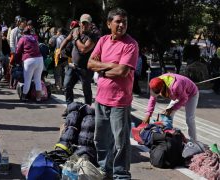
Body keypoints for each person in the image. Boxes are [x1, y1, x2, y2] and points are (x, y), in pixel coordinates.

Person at [87, 8, 139, 179]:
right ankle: (105, 169)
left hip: (120, 101)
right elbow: (90, 63)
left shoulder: (131, 44)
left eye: (124, 21)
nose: (122, 25)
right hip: (101, 98)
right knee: (100, 139)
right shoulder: (102, 40)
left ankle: (121, 174)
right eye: (118, 21)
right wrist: (111, 66)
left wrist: (101, 68)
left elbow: (123, 71)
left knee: (120, 142)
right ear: (109, 24)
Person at [58, 14, 97, 113]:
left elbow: (83, 49)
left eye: (87, 24)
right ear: (80, 23)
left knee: (86, 89)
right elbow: (66, 39)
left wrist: (76, 39)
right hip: (73, 66)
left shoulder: (93, 36)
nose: (84, 25)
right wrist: (59, 50)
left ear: (90, 24)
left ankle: (87, 109)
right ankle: (70, 107)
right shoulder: (75, 31)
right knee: (67, 86)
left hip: (85, 69)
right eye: (83, 23)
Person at [143, 73, 199, 140]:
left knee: (189, 119)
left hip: (191, 94)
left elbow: (184, 98)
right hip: (178, 93)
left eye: (158, 92)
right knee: (167, 114)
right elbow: (152, 99)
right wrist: (148, 115)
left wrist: (173, 108)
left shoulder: (175, 86)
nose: (158, 94)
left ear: (163, 86)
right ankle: (168, 135)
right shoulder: (156, 82)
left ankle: (194, 140)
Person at [15, 27, 44, 101]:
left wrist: (17, 61)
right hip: (40, 59)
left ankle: (23, 97)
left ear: (23, 33)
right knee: (37, 79)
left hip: (29, 59)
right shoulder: (34, 38)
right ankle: (38, 98)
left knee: (27, 80)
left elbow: (18, 51)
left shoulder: (23, 38)